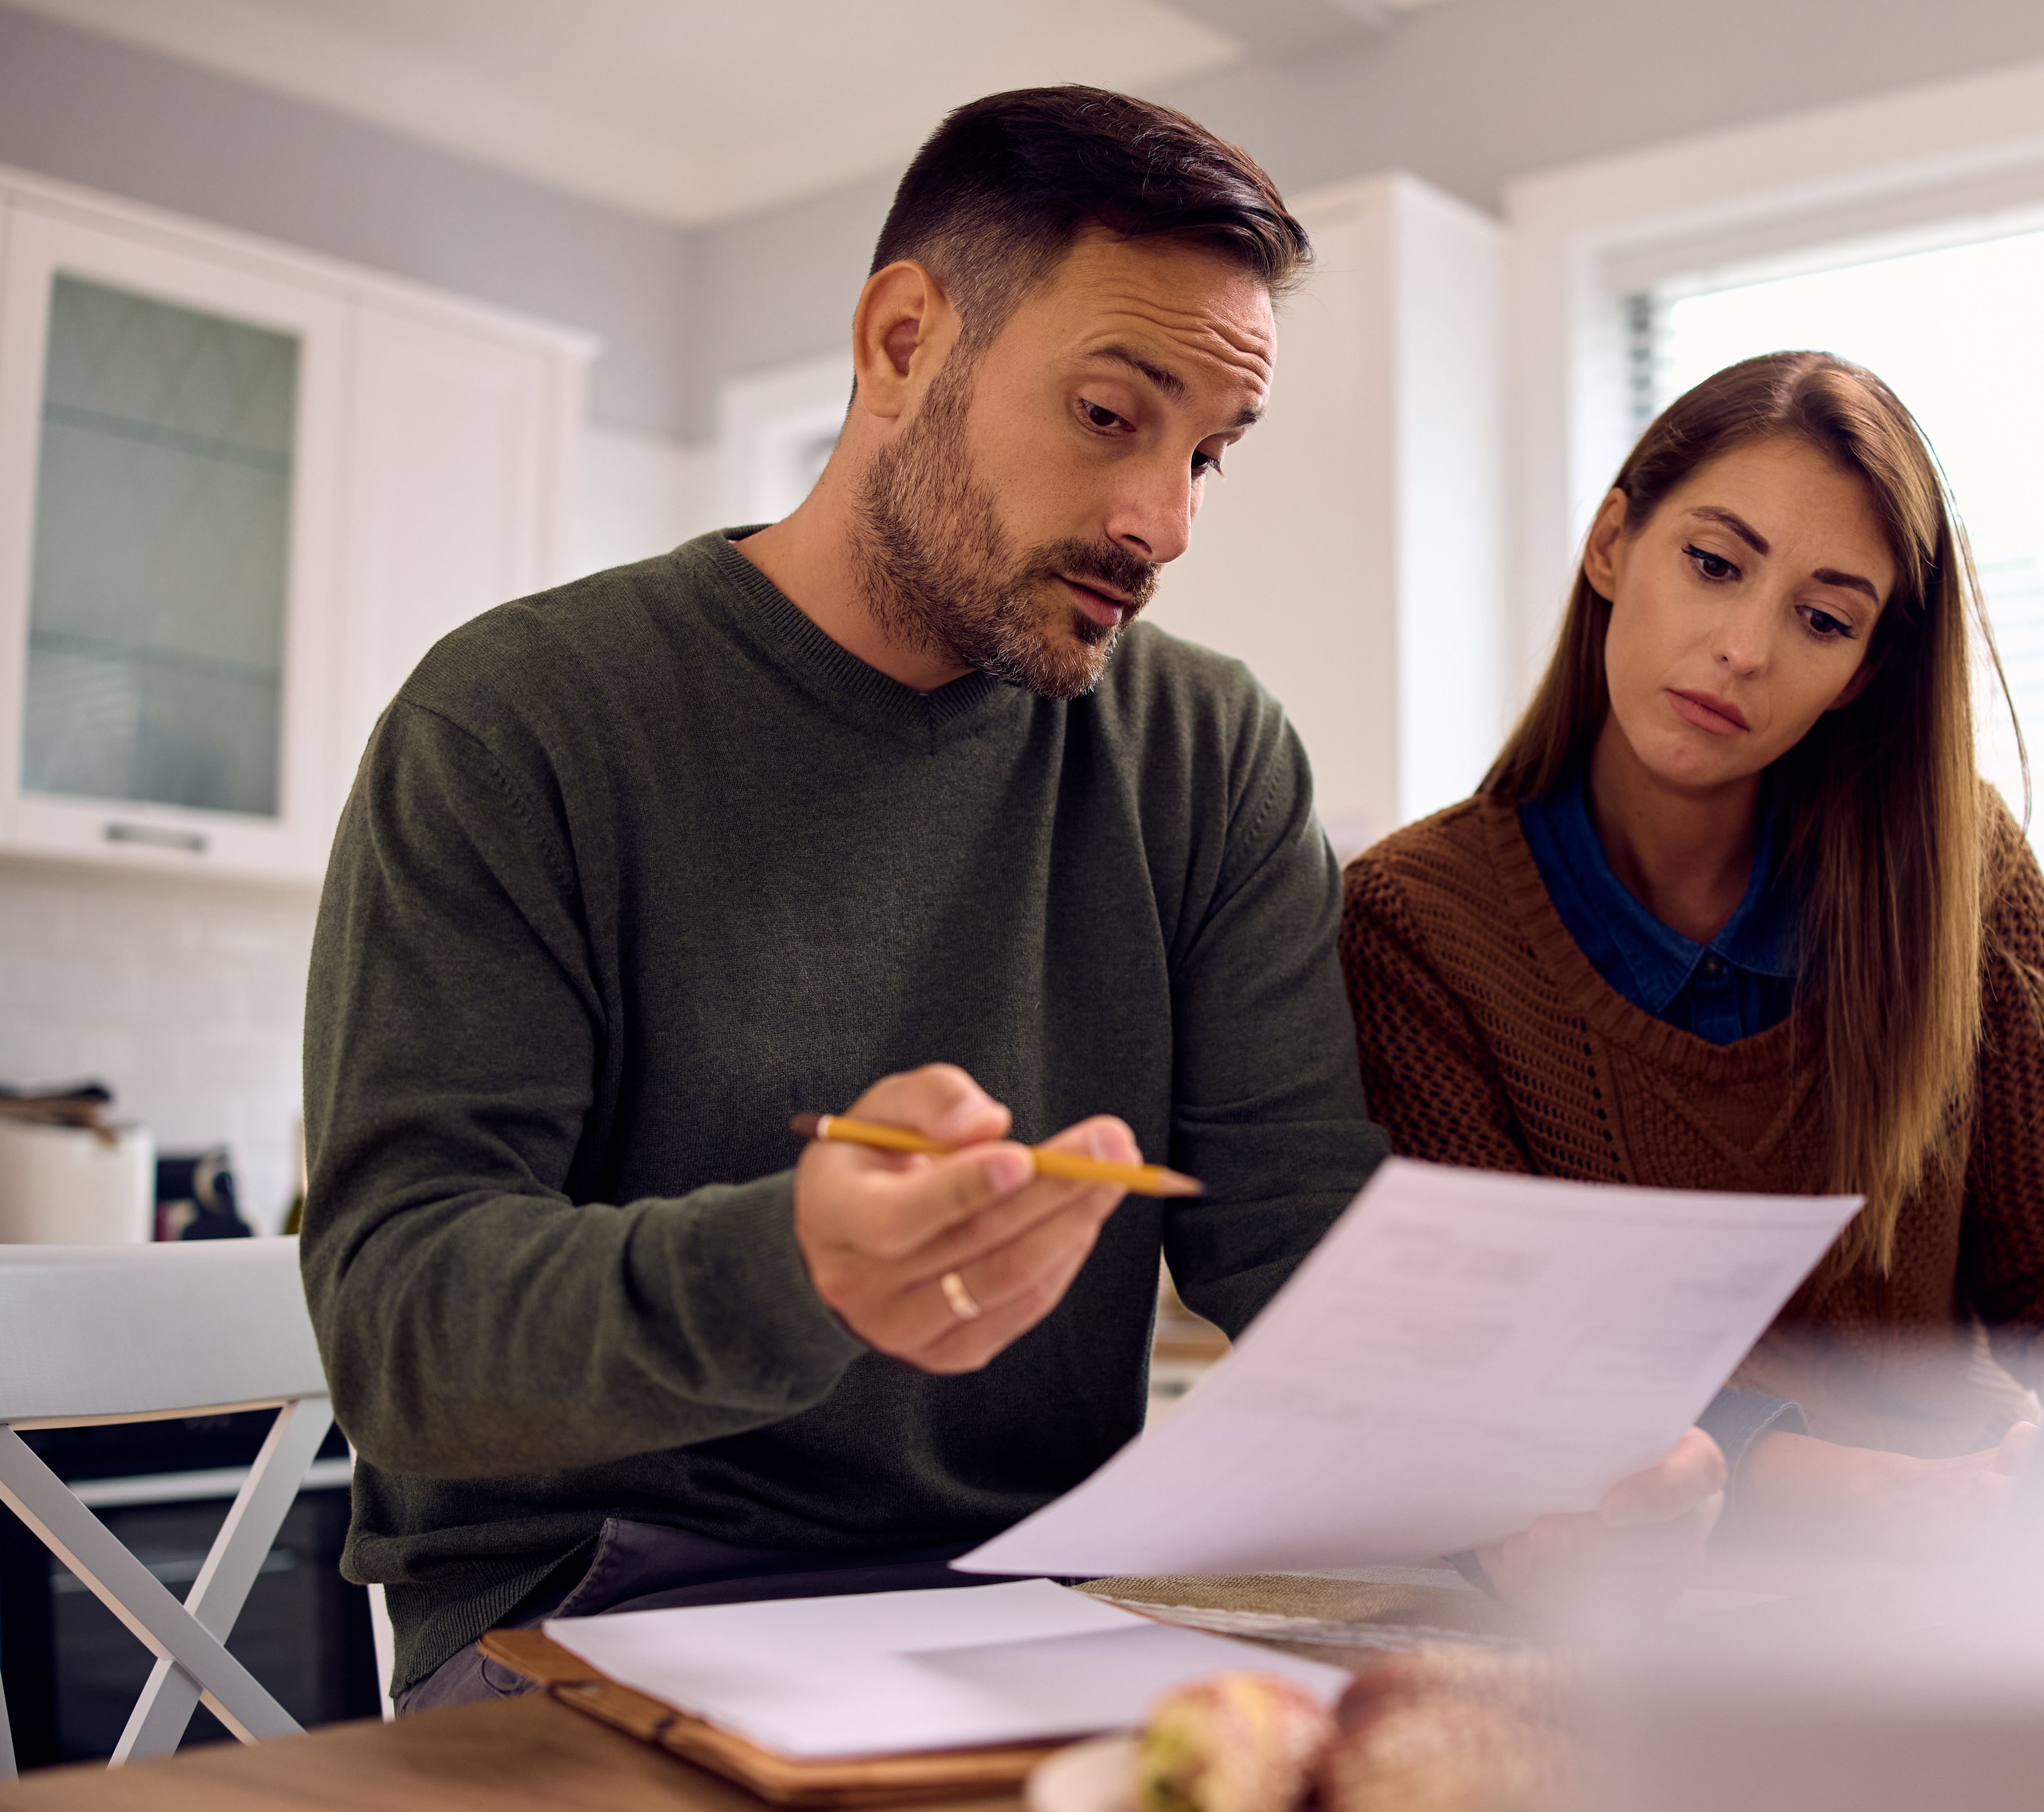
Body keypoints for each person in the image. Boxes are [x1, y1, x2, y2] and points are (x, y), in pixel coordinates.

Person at [305, 86, 1717, 1711]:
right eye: (1114, 417)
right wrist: (797, 1271)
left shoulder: (1206, 748)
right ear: (904, 342)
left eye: (1209, 451)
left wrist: (1536, 1464)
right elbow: (402, 1334)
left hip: (1040, 1613)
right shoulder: (519, 721)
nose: (1165, 521)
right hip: (583, 1619)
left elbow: (1300, 1233)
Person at [1337, 351, 2044, 1556]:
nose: (1746, 648)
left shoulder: (1967, 872)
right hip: (1641, 1598)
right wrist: (1829, 1484)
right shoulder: (1414, 925)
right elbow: (1497, 1385)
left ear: (1860, 674)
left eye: (1822, 618)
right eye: (1714, 566)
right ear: (1613, 546)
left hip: (1978, 1568)